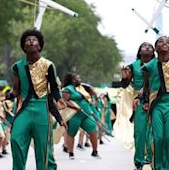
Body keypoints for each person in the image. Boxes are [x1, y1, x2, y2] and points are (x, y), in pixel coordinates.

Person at [8, 29, 66, 170]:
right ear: (24, 46)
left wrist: (59, 100)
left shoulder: (48, 65)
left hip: (42, 110)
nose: (31, 41)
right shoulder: (17, 66)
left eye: (34, 40)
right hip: (24, 110)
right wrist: (5, 96)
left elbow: (53, 87)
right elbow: (16, 90)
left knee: (43, 150)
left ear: (39, 46)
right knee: (15, 139)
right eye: (27, 40)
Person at [142, 36, 169, 170]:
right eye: (160, 41)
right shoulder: (149, 66)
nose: (164, 43)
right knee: (158, 138)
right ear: (156, 48)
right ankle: (158, 167)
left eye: (167, 42)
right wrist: (144, 100)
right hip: (156, 105)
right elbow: (146, 86)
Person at [121, 41, 155, 170]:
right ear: (140, 51)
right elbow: (124, 85)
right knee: (139, 131)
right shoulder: (132, 66)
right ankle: (139, 161)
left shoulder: (158, 64)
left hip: (156, 100)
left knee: (152, 131)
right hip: (139, 101)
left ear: (153, 51)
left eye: (150, 46)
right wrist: (124, 77)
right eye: (144, 46)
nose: (147, 47)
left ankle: (152, 158)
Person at [62, 72, 100, 159]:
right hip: (74, 115)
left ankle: (95, 151)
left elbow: (91, 92)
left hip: (86, 115)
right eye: (78, 78)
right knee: (71, 133)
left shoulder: (81, 88)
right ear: (73, 80)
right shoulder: (67, 89)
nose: (80, 80)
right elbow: (64, 101)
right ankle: (71, 153)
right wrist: (75, 107)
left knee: (93, 130)